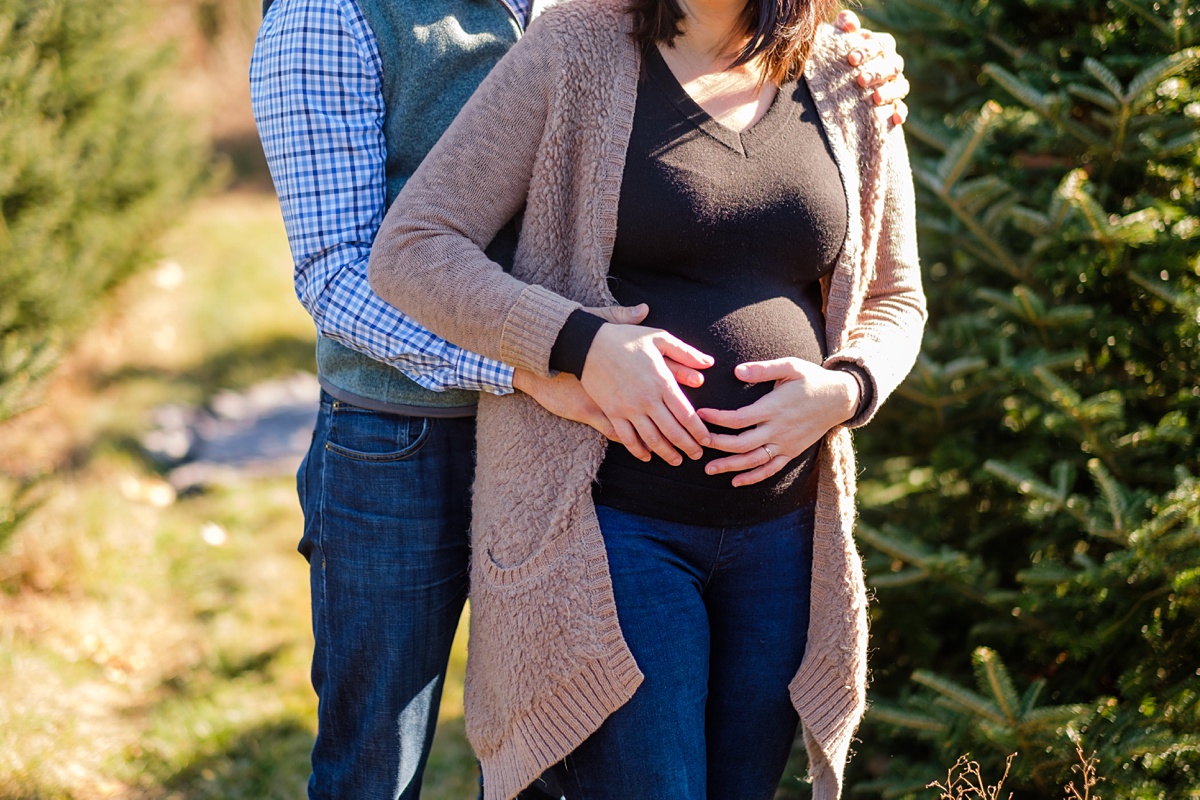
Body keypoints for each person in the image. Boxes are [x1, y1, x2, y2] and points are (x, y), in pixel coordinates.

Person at [249, 0, 910, 797]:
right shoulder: (339, 15)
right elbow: (345, 266)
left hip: (724, 502)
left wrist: (847, 387)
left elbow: (891, 290)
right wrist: (551, 362)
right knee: (376, 761)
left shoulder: (825, 66)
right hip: (414, 438)